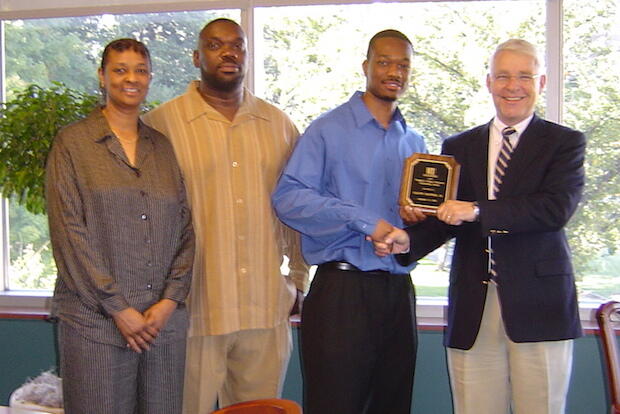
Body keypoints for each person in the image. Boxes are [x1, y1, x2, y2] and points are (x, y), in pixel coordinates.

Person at [377, 39, 586, 414]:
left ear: (541, 82)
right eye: (503, 76)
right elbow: (445, 219)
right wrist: (406, 238)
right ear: (488, 82)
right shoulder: (459, 145)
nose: (513, 86)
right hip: (473, 307)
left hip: (540, 307)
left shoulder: (564, 143)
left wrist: (475, 210)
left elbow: (554, 209)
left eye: (524, 76)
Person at [142, 18, 308, 413]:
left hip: (264, 308)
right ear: (198, 56)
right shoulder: (160, 125)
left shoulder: (279, 125)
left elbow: (297, 208)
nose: (229, 52)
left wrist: (298, 280)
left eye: (238, 45)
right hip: (193, 310)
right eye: (216, 45)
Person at [271, 29, 426, 414]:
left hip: (398, 292)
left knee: (393, 405)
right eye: (385, 62)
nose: (394, 72)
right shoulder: (328, 130)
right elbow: (288, 199)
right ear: (366, 67)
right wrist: (365, 222)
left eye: (403, 64)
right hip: (342, 293)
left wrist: (414, 228)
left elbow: (422, 223)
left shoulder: (416, 144)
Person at [46, 38, 195, 414]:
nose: (132, 78)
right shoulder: (72, 144)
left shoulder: (162, 147)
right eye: (120, 69)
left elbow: (185, 228)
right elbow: (70, 236)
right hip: (95, 324)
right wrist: (119, 308)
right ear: (102, 76)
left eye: (140, 70)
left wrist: (168, 302)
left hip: (161, 326)